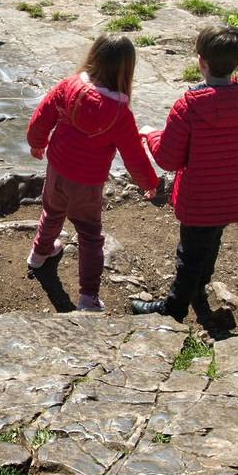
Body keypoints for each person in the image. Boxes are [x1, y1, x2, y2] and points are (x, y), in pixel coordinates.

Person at [131, 24, 238, 319]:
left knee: (189, 255)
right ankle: (200, 287)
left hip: (197, 200)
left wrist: (150, 134)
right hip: (232, 198)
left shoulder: (189, 106)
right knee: (211, 242)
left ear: (201, 62)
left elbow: (168, 159)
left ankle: (173, 308)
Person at [25, 34, 159, 312]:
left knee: (51, 211)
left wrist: (37, 143)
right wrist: (148, 182)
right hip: (87, 183)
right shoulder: (120, 113)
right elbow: (133, 154)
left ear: (93, 57)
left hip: (58, 169)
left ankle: (39, 254)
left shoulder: (68, 86)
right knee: (89, 235)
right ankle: (88, 297)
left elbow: (42, 115)